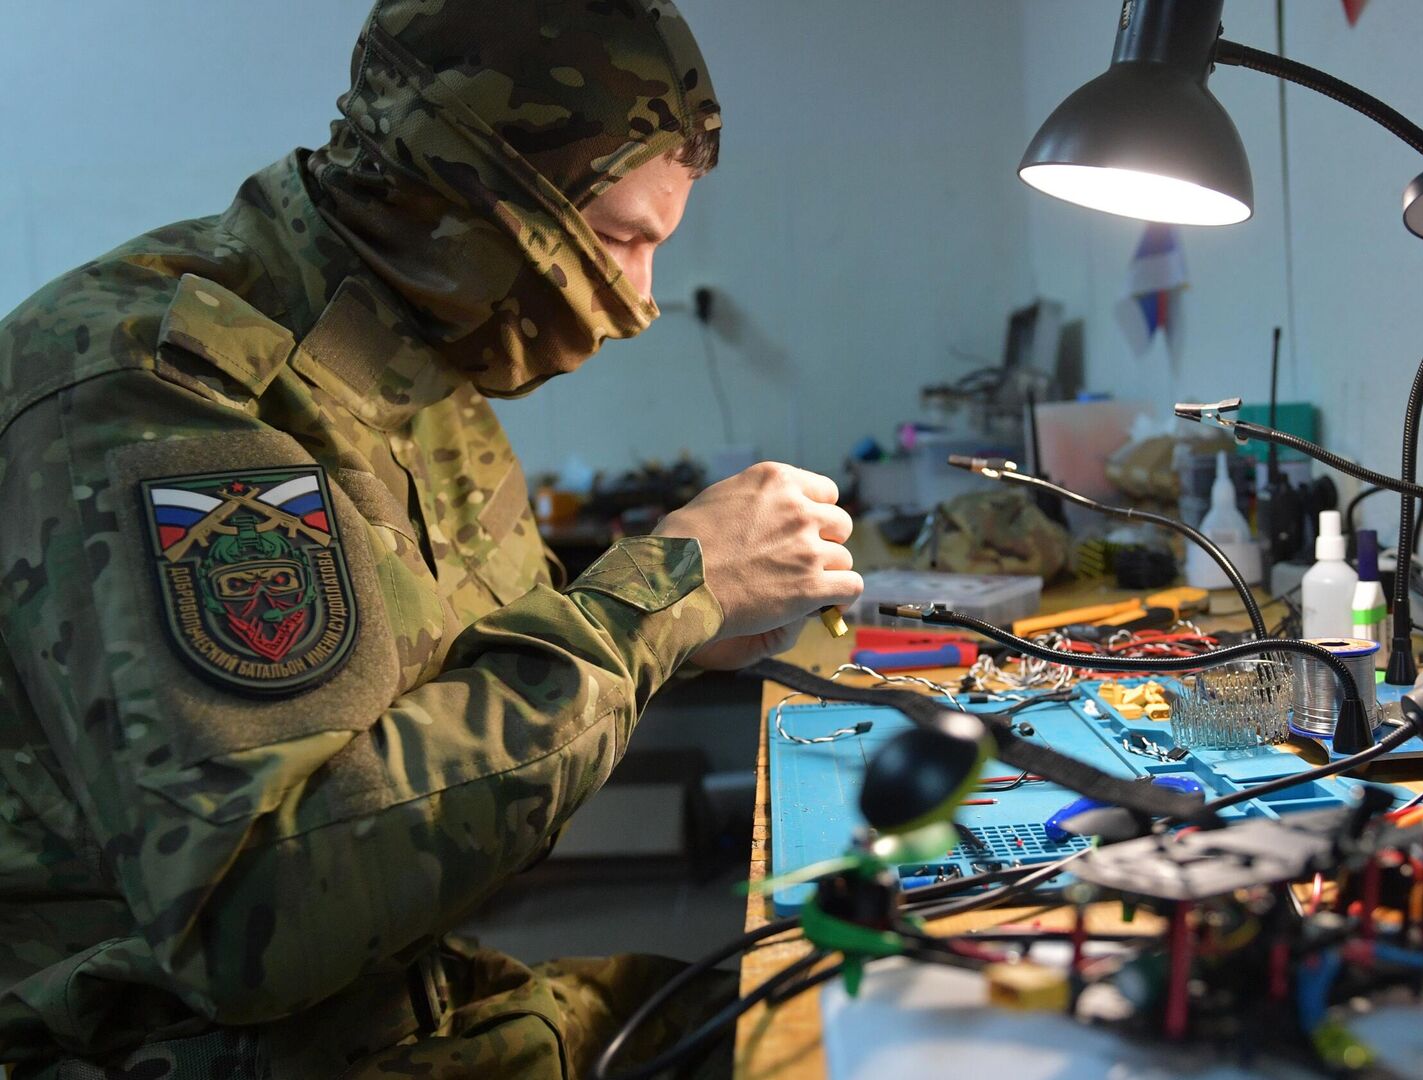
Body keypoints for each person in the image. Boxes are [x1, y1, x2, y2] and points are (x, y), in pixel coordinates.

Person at [0, 2, 860, 1076]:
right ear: (477, 191)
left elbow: (453, 679)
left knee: (823, 1009)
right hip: (190, 1050)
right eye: (618, 240)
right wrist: (662, 596)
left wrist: (690, 630)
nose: (640, 301)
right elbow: (258, 915)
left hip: (401, 998)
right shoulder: (162, 397)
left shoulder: (406, 361)